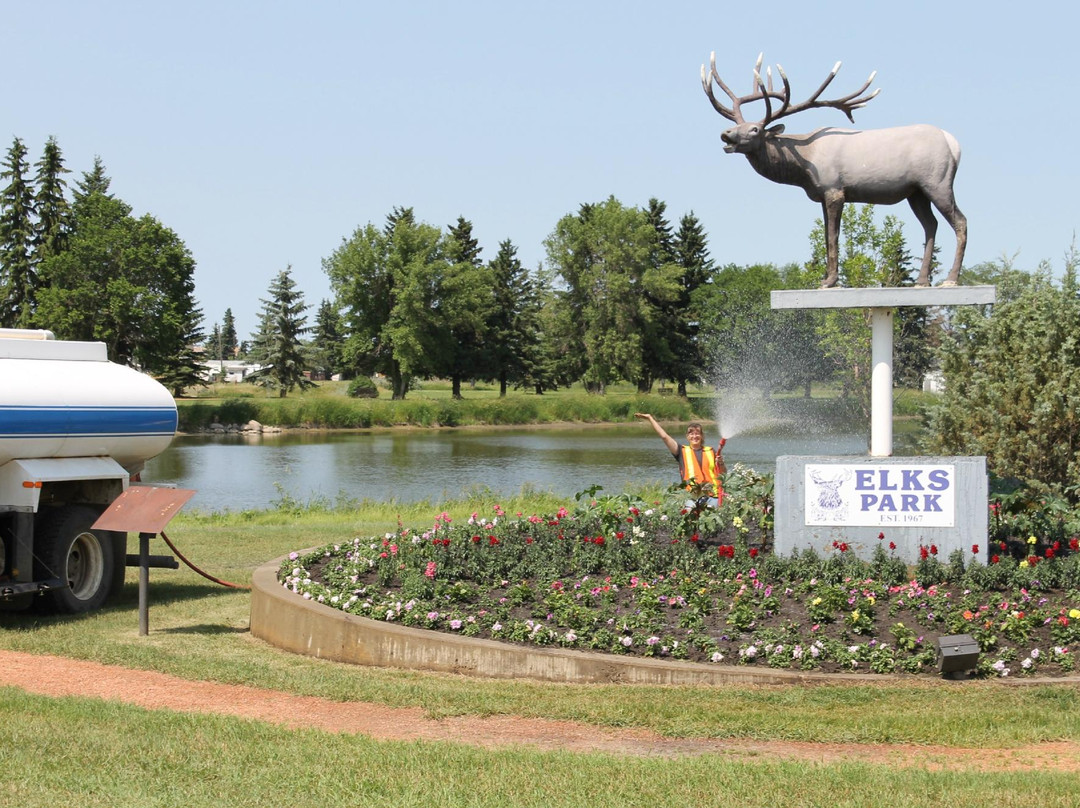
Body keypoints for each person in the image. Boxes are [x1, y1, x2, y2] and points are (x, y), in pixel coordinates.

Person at [635, 413, 726, 506]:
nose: (694, 436)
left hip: (712, 496)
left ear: (702, 436)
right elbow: (664, 437)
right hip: (692, 497)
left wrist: (721, 463)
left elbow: (723, 473)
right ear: (687, 436)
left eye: (697, 433)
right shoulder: (681, 451)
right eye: (691, 434)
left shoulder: (711, 451)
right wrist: (650, 418)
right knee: (689, 513)